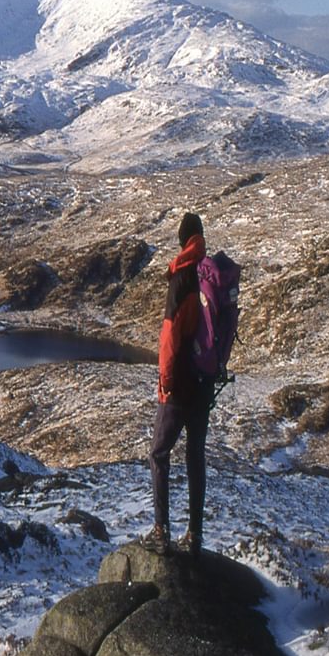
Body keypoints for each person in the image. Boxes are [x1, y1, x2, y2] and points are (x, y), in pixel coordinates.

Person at [140, 211, 216, 558]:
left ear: (182, 238)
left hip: (181, 382)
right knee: (195, 455)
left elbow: (171, 334)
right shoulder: (209, 272)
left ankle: (161, 531)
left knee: (159, 452)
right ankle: (195, 535)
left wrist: (166, 380)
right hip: (204, 381)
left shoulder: (183, 275)